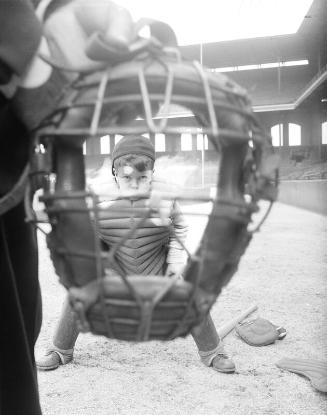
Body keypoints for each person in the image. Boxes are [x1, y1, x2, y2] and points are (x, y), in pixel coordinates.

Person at [0, 1, 138, 413]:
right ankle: (62, 348)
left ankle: (208, 348)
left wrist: (59, 11)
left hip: (10, 161)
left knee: (13, 356)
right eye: (127, 170)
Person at [37, 135, 236, 373]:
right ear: (115, 174)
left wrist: (174, 262)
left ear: (152, 173)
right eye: (127, 178)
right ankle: (60, 350)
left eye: (143, 178)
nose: (135, 184)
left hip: (157, 268)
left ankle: (213, 352)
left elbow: (180, 227)